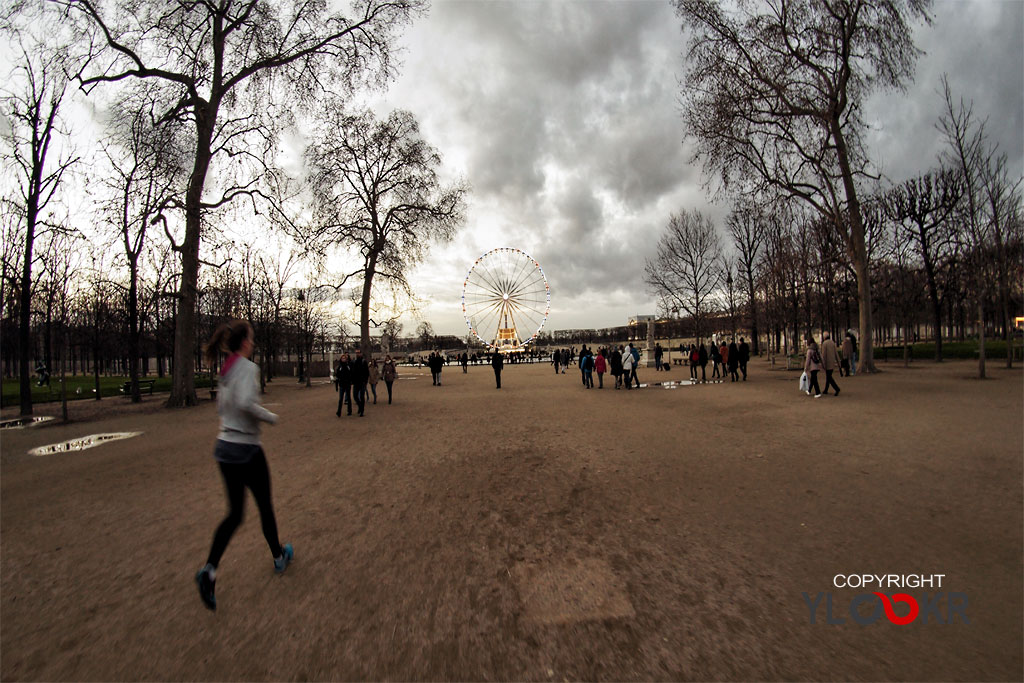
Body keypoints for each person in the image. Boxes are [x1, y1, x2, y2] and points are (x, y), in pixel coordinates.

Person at [195, 320, 292, 611]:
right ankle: (278, 557)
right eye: (251, 338)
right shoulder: (248, 368)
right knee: (264, 506)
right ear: (245, 342)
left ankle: (210, 570)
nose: (254, 342)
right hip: (246, 448)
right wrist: (269, 417)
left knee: (235, 514)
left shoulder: (225, 369)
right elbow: (246, 403)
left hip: (224, 447)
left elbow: (223, 408)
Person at [820, 331, 841, 396]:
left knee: (829, 377)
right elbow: (836, 353)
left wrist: (823, 363)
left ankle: (836, 388)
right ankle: (826, 389)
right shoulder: (832, 343)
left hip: (827, 363)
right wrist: (838, 362)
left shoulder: (824, 344)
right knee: (828, 377)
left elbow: (824, 355)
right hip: (832, 362)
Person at [351, 348, 369, 417]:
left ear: (361, 353)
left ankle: (362, 410)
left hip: (362, 382)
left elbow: (366, 372)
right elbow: (352, 372)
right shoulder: (354, 362)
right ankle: (360, 406)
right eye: (356, 353)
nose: (357, 354)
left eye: (358, 353)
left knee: (361, 396)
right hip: (356, 382)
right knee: (355, 396)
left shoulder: (363, 362)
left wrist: (365, 381)